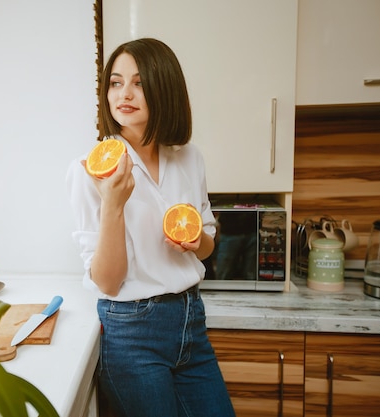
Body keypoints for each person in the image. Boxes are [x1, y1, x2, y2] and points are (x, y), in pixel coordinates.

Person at [66, 38, 235, 417]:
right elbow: (108, 283)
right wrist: (112, 205)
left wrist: (196, 240)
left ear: (165, 87)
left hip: (191, 321)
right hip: (132, 333)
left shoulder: (189, 157)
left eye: (139, 82)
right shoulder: (90, 170)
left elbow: (208, 245)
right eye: (115, 82)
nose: (124, 93)